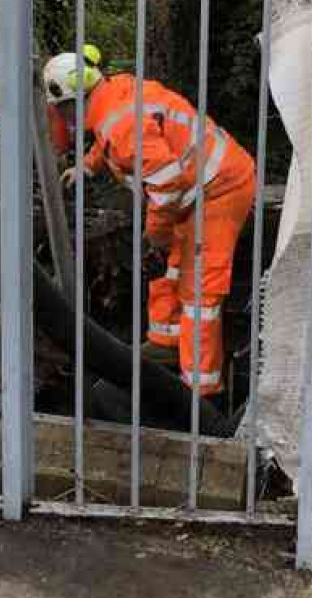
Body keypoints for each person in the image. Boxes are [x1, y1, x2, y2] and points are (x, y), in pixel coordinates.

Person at [44, 46, 255, 395]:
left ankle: (200, 392)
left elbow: (167, 183)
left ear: (67, 102)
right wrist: (87, 165)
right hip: (194, 191)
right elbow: (108, 138)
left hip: (220, 188)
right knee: (169, 269)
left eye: (59, 111)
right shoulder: (111, 96)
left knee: (199, 290)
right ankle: (165, 342)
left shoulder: (120, 121)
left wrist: (154, 234)